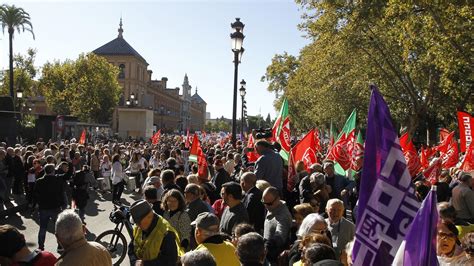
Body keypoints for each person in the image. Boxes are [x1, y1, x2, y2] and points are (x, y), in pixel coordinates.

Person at [128, 199, 182, 266]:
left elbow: (170, 260)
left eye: (138, 222)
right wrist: (134, 262)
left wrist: (145, 264)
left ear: (149, 216)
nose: (137, 226)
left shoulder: (166, 232)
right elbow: (131, 247)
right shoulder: (139, 227)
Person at [34, 164, 65, 251]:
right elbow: (61, 192)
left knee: (43, 228)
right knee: (58, 227)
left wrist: (38, 204)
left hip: (43, 208)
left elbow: (36, 194)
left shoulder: (39, 181)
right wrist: (62, 204)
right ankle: (60, 245)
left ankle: (40, 247)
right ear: (53, 171)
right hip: (55, 207)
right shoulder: (57, 180)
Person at [262, 186, 292, 264]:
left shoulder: (283, 215)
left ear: (278, 199)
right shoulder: (272, 206)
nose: (266, 206)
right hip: (267, 255)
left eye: (269, 204)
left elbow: (280, 235)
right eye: (264, 203)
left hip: (274, 258)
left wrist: (266, 246)